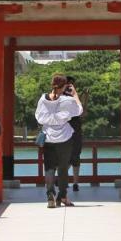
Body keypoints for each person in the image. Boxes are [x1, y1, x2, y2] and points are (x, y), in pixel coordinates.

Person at [35, 73, 82, 207]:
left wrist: (50, 120)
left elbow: (39, 117)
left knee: (49, 167)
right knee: (62, 168)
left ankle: (50, 195)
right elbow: (79, 110)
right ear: (65, 86)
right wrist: (75, 95)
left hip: (48, 137)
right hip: (64, 138)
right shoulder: (68, 100)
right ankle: (61, 196)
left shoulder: (43, 99)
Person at [66, 75, 86, 192]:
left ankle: (75, 182)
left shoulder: (75, 98)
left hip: (76, 130)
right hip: (64, 130)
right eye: (68, 84)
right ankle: (62, 178)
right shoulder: (59, 98)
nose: (70, 87)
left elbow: (82, 113)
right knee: (64, 157)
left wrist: (80, 97)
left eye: (72, 85)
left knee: (76, 157)